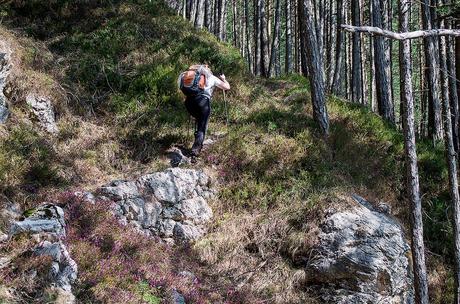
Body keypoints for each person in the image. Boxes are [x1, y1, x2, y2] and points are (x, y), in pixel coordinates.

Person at [179, 65, 230, 157]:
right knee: (202, 126)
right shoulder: (211, 77)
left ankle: (197, 137)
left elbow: (181, 87)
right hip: (202, 102)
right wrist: (223, 79)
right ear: (207, 71)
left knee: (199, 119)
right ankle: (196, 149)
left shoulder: (185, 76)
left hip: (189, 103)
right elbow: (227, 87)